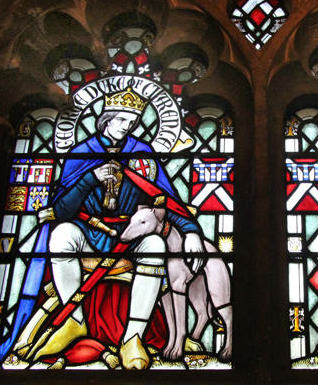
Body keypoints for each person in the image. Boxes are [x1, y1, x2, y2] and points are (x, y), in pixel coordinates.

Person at [29, 87, 203, 369]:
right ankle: (75, 321)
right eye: (122, 119)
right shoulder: (82, 152)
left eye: (133, 122)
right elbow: (61, 211)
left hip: (130, 236)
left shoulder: (142, 152)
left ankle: (133, 337)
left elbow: (165, 199)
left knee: (156, 245)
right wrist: (89, 179)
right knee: (61, 235)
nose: (129, 126)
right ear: (105, 119)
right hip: (90, 233)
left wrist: (191, 229)